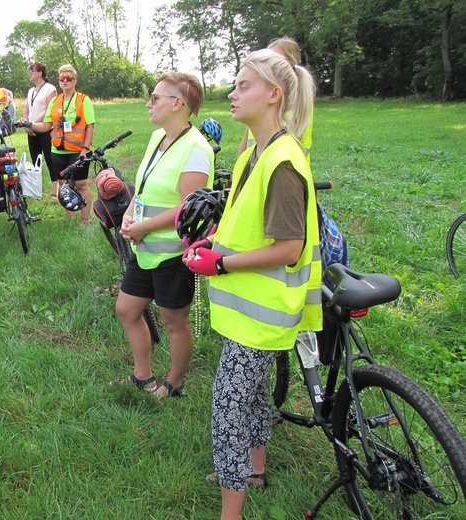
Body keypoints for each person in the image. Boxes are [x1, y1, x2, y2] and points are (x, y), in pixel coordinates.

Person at [183, 49, 320, 520]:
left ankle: (231, 513)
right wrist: (210, 247)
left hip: (263, 315)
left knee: (227, 411)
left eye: (243, 85)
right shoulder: (253, 154)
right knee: (254, 395)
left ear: (273, 95)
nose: (232, 93)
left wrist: (223, 265)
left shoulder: (282, 161)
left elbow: (289, 248)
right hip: (248, 311)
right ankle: (255, 471)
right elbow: (241, 223)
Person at [112, 72, 214, 400]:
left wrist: (143, 227)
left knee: (174, 322)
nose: (148, 104)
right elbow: (143, 188)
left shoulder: (197, 148)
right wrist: (130, 215)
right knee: (127, 309)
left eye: (155, 98)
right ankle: (143, 376)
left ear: (177, 103)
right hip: (145, 247)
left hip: (172, 253)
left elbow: (189, 208)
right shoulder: (158, 137)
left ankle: (175, 384)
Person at [27, 64, 95, 222]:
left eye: (68, 78)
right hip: (57, 151)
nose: (65, 81)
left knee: (80, 184)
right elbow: (46, 126)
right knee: (64, 186)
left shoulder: (84, 100)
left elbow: (90, 126)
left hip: (78, 151)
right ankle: (70, 220)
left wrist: (85, 149)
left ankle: (85, 220)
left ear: (74, 81)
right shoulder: (55, 101)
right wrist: (29, 124)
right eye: (61, 78)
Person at [238, 37, 313, 160]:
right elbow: (245, 143)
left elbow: (288, 153)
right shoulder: (259, 104)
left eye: (273, 60)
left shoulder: (293, 102)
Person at [21, 63, 57, 198]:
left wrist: (33, 124)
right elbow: (27, 110)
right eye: (29, 71)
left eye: (32, 71)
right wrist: (26, 124)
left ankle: (55, 189)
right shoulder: (31, 91)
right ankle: (36, 188)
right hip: (31, 130)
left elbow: (50, 110)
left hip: (45, 129)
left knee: (50, 159)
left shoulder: (50, 89)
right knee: (36, 159)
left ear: (40, 72)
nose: (30, 73)